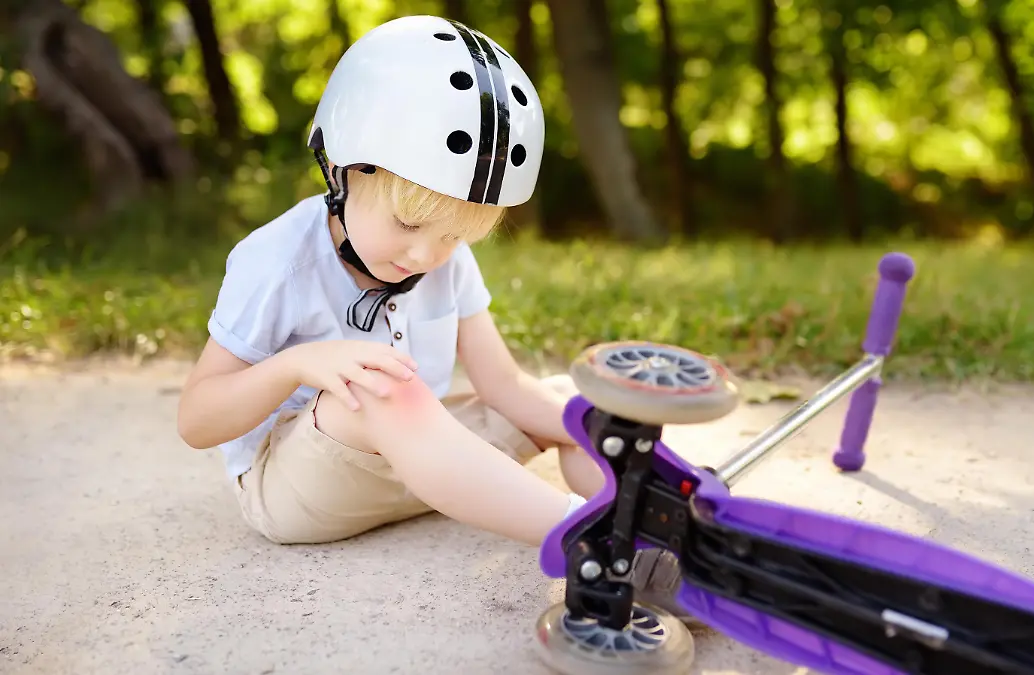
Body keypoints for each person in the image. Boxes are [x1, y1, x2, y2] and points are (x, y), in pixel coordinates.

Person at [175, 15, 690, 620]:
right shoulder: (277, 262)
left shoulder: (444, 259)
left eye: (453, 236)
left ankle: (646, 510)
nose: (425, 255)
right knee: (380, 389)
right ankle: (596, 544)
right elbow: (196, 421)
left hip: (420, 466)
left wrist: (639, 455)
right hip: (298, 490)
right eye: (411, 224)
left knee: (565, 403)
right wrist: (296, 364)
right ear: (343, 170)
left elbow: (504, 387)